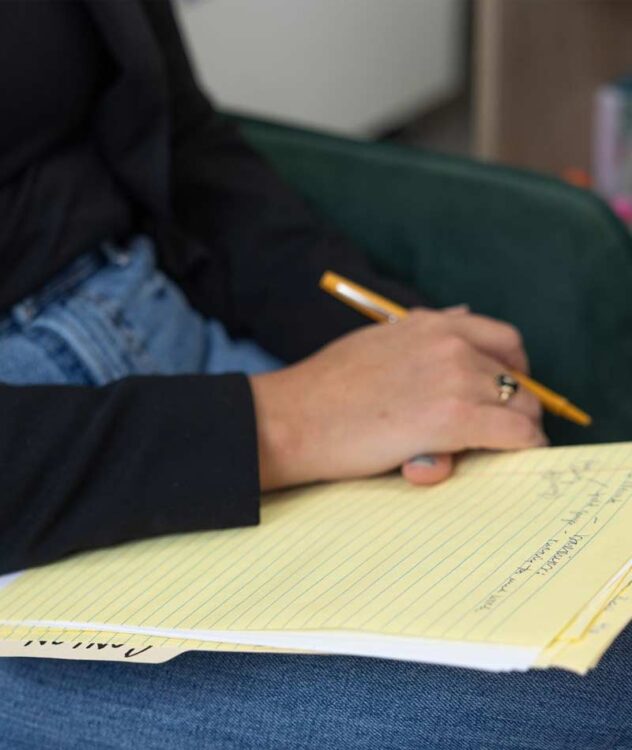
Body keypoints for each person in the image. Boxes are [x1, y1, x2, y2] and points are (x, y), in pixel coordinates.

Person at [0, 2, 629, 748]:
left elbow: (186, 153)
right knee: (592, 699)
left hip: (173, 326)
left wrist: (407, 358)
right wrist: (286, 421)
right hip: (42, 489)